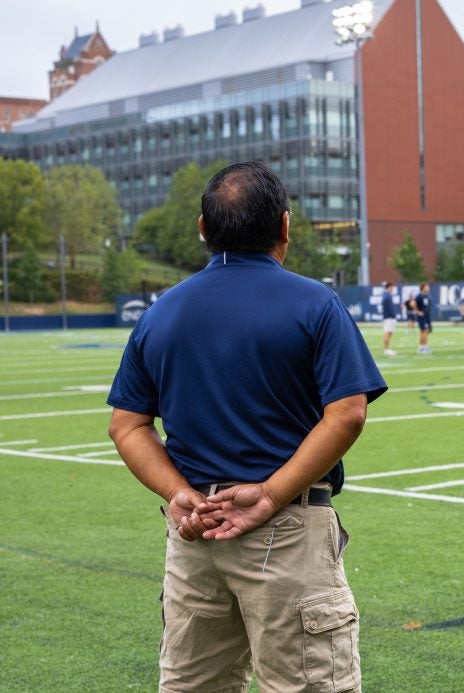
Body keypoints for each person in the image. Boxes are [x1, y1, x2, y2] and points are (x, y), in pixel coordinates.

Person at [106, 161, 387, 692]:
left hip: (195, 532)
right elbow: (348, 412)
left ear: (202, 229)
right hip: (286, 530)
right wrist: (271, 494)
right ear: (285, 225)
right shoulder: (315, 302)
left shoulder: (161, 312)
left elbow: (127, 425)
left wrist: (180, 494)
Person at [381, 281, 399, 356]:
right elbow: (390, 308)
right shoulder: (387, 296)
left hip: (389, 317)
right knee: (387, 333)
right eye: (392, 287)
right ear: (389, 287)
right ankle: (386, 349)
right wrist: (393, 316)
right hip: (389, 317)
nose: (393, 289)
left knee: (389, 333)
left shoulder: (387, 295)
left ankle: (387, 348)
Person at [413, 282, 432, 354]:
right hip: (422, 317)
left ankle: (423, 346)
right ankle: (422, 347)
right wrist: (417, 311)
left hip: (427, 316)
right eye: (427, 286)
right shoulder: (419, 296)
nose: (428, 288)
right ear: (423, 288)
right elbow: (413, 303)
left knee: (425, 331)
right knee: (424, 331)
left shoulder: (426, 296)